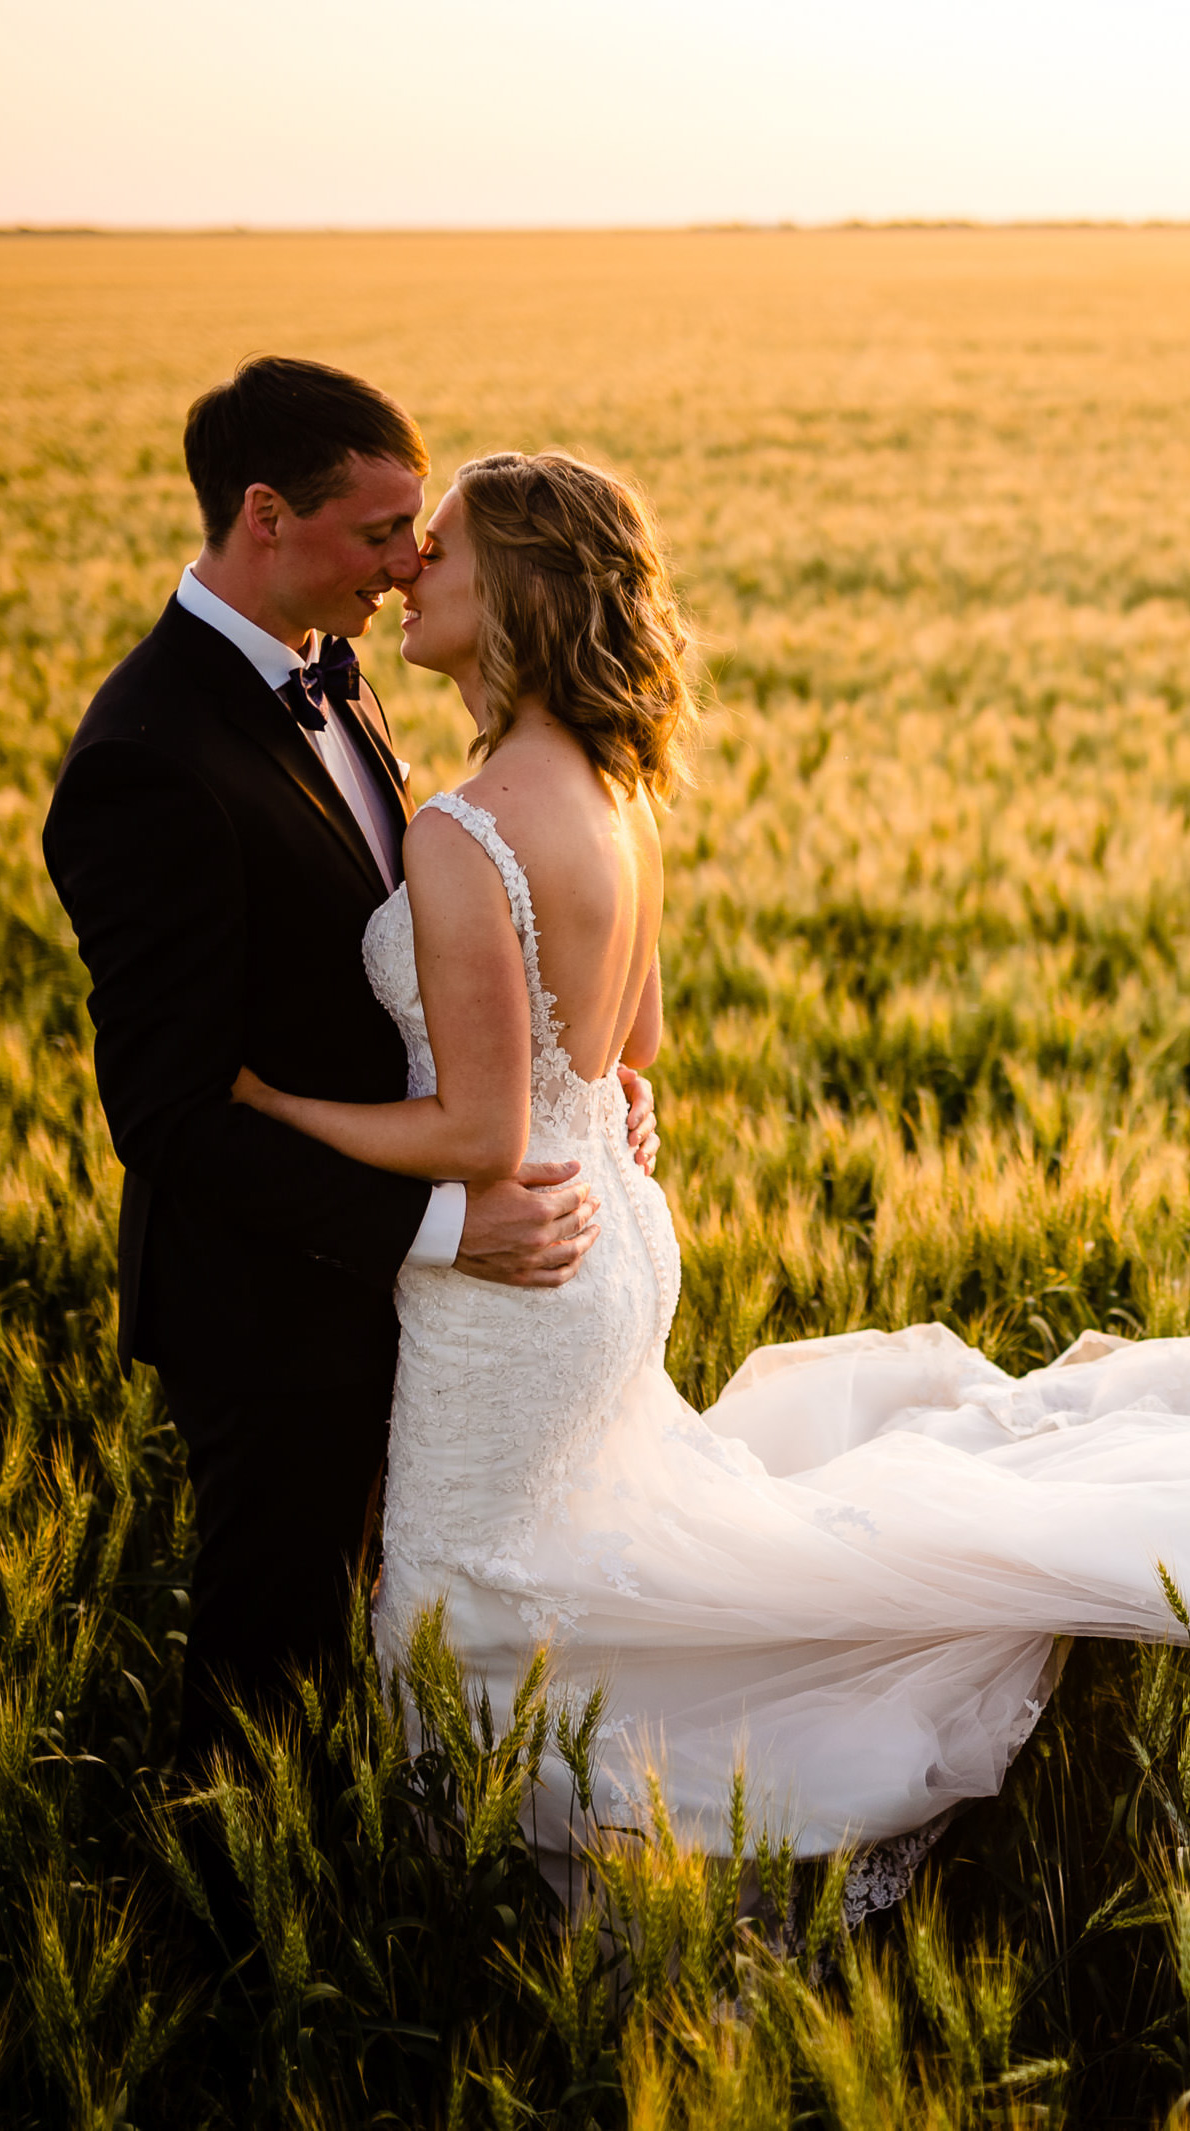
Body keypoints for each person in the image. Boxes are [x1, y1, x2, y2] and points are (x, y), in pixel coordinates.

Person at [233, 443, 1190, 1894]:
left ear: (522, 595)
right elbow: (636, 1050)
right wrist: (591, 1110)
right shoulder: (616, 789)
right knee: (570, 1559)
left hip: (520, 1271)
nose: (414, 569)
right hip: (610, 1234)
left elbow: (483, 1143)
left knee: (467, 1599)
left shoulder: (465, 828)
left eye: (446, 550)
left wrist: (272, 1102)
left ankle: (491, 1887)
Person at [42, 358, 659, 1772]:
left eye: (420, 540)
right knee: (267, 1679)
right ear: (267, 515)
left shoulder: (339, 676)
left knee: (405, 1653)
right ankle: (234, 1963)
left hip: (441, 1269)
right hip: (274, 1309)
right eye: (384, 533)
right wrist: (446, 1222)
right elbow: (175, 1118)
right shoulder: (150, 757)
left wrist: (593, 1078)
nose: (407, 566)